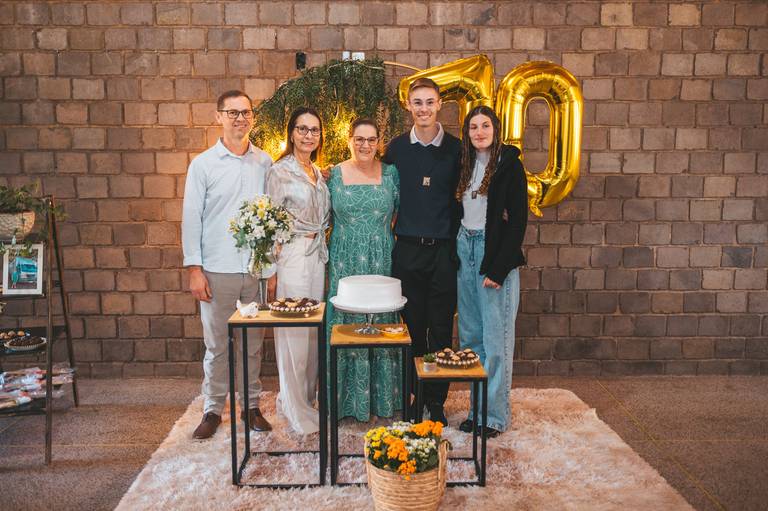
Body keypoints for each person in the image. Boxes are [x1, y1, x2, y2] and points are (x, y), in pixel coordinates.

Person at [182, 90, 275, 440]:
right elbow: (191, 218)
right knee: (217, 345)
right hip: (216, 269)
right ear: (218, 116)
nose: (240, 118)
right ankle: (212, 409)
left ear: (253, 117)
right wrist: (194, 269)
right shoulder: (203, 164)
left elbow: (272, 217)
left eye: (245, 112)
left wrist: (270, 270)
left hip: (255, 269)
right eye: (232, 112)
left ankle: (251, 406)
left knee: (252, 345)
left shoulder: (265, 162)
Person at [383, 78, 462, 426]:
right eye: (417, 102)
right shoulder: (397, 149)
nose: (424, 109)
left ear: (440, 104)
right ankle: (415, 396)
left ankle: (437, 401)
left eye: (430, 102)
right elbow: (375, 180)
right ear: (408, 105)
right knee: (412, 330)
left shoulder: (457, 149)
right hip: (407, 251)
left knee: (441, 331)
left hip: (443, 252)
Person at [455, 106, 527, 438]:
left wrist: (498, 269)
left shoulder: (509, 165)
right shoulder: (465, 164)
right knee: (471, 339)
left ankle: (494, 416)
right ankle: (477, 411)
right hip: (464, 248)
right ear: (467, 133)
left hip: (493, 252)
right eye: (473, 127)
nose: (480, 132)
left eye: (485, 126)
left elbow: (518, 221)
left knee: (496, 342)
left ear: (495, 129)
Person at [326, 118, 401, 421]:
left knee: (380, 319)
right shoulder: (332, 174)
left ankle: (382, 401)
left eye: (371, 139)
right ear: (349, 140)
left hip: (381, 256)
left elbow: (399, 213)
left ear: (379, 142)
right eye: (359, 139)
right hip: (343, 258)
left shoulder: (391, 173)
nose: (365, 145)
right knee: (345, 320)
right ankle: (344, 401)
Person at [267, 107, 331, 435]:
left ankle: (305, 400)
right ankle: (295, 408)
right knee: (293, 332)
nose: (308, 135)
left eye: (314, 130)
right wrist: (270, 270)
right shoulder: (279, 172)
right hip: (291, 255)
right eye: (302, 129)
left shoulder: (318, 172)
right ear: (291, 132)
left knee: (312, 332)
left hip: (317, 256)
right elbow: (269, 221)